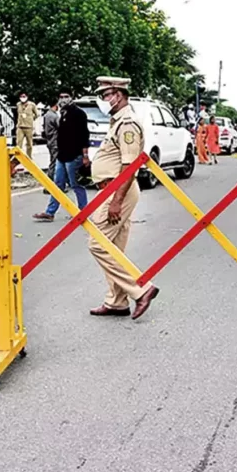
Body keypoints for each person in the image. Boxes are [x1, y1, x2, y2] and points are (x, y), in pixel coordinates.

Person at [86, 77, 159, 319]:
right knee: (114, 248)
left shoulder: (127, 124)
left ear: (118, 94)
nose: (103, 100)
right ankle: (117, 301)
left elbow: (130, 166)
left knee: (97, 244)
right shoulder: (116, 122)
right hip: (113, 190)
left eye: (106, 95)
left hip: (118, 191)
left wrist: (116, 201)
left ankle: (141, 289)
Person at [33, 94, 90, 222]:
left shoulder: (79, 114)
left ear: (71, 97)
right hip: (62, 155)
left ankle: (83, 212)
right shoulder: (63, 113)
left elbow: (84, 135)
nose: (63, 99)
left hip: (74, 155)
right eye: (61, 96)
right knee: (57, 184)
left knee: (76, 184)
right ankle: (50, 212)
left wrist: (85, 156)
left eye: (66, 96)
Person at [43, 96, 62, 181]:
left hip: (50, 141)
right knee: (55, 163)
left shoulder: (46, 115)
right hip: (55, 141)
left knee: (53, 161)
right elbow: (61, 127)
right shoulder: (54, 116)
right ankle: (51, 183)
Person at [16, 92, 38, 158]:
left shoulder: (32, 105)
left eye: (24, 96)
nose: (23, 98)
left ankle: (29, 157)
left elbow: (37, 114)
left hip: (29, 126)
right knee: (18, 142)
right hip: (20, 126)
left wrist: (31, 118)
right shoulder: (18, 104)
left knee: (29, 143)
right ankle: (18, 157)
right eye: (21, 96)